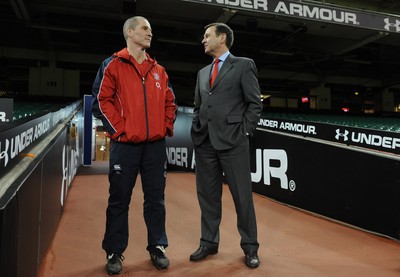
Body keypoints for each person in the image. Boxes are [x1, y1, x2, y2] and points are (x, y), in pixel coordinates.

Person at [92, 16, 177, 274]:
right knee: (119, 199)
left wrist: (163, 129)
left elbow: (170, 103)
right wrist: (121, 129)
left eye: (151, 29)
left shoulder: (159, 70)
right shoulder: (112, 65)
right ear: (130, 32)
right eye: (145, 28)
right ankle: (114, 252)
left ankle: (157, 246)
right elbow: (100, 101)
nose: (150, 33)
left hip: (154, 147)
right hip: (125, 146)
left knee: (156, 200)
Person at [190, 22, 263, 269]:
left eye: (207, 35)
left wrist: (244, 131)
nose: (203, 39)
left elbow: (255, 104)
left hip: (234, 142)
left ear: (222, 38)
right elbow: (199, 106)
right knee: (208, 197)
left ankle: (250, 247)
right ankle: (208, 242)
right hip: (205, 143)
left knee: (242, 198)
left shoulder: (243, 65)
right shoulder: (202, 73)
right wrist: (196, 130)